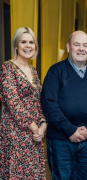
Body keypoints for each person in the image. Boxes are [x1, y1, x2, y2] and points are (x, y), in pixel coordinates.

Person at [41, 30, 87, 179]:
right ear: (68, 47)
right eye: (76, 44)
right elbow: (49, 104)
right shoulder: (56, 71)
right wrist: (70, 129)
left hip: (86, 140)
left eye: (85, 45)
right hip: (61, 140)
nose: (81, 48)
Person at [0, 27, 46, 179]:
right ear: (16, 46)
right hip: (15, 133)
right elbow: (13, 103)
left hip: (35, 135)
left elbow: (38, 101)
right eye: (23, 42)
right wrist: (34, 127)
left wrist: (42, 124)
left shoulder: (33, 70)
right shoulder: (7, 68)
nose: (28, 46)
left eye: (31, 42)